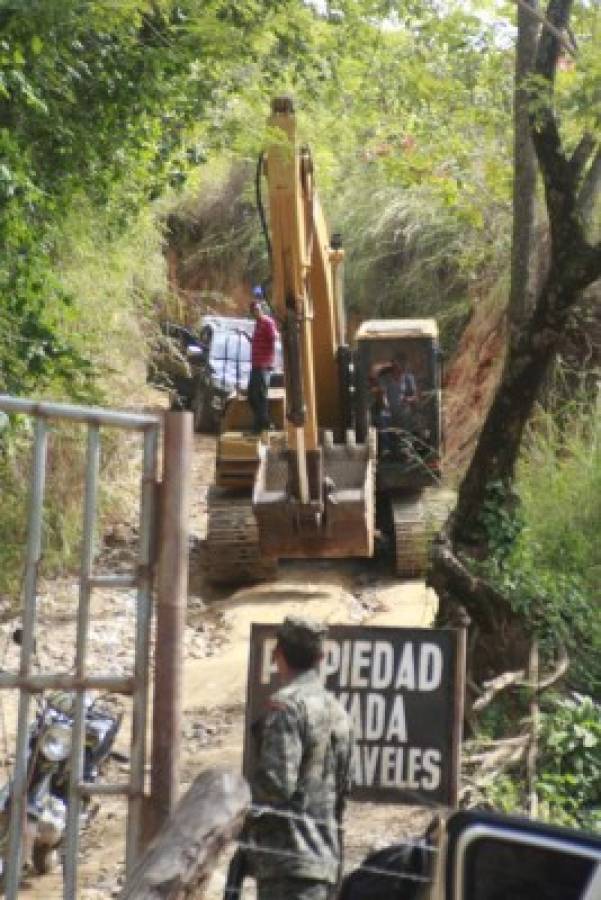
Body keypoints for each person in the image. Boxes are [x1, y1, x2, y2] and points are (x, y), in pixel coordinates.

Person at [247, 616, 354, 900]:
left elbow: (276, 785)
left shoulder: (286, 707)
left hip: (288, 866)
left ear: (277, 654)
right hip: (327, 863)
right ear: (321, 657)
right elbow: (344, 790)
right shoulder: (338, 711)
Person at [242, 288, 278, 433]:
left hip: (264, 366)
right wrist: (247, 336)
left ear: (261, 309)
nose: (255, 312)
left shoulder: (267, 322)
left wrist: (274, 335)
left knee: (261, 396)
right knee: (251, 396)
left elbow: (274, 337)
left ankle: (261, 426)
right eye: (253, 310)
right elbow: (258, 342)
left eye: (257, 309)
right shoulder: (257, 325)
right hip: (256, 365)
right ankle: (264, 422)